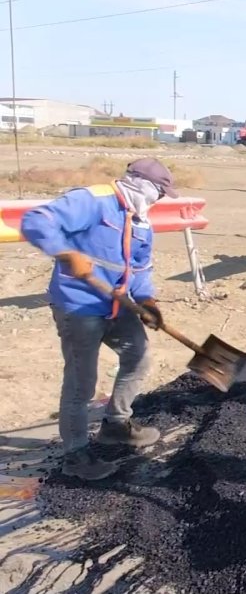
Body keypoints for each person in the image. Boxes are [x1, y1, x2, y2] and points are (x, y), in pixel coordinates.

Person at [20, 159, 175, 480]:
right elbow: (36, 220)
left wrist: (147, 300)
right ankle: (76, 454)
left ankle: (116, 425)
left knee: (138, 355)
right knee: (81, 383)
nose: (159, 199)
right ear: (143, 185)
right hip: (79, 306)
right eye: (159, 192)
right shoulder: (92, 200)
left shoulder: (142, 220)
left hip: (117, 307)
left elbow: (141, 267)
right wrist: (65, 252)